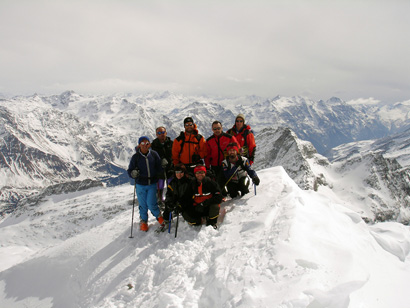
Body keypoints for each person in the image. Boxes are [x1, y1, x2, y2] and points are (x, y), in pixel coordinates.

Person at [127, 136, 164, 232]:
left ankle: (159, 217)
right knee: (143, 205)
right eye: (142, 143)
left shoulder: (154, 154)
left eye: (146, 143)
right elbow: (130, 170)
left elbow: (159, 167)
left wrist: (163, 166)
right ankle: (144, 221)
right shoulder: (136, 157)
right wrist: (132, 173)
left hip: (152, 183)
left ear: (149, 144)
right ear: (139, 145)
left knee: (151, 204)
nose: (145, 145)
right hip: (140, 184)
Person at [205, 121, 238, 195]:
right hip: (215, 166)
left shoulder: (229, 138)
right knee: (219, 186)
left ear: (222, 128)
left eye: (218, 128)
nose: (217, 130)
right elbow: (207, 156)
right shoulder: (209, 141)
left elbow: (237, 149)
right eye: (215, 129)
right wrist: (207, 167)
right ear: (212, 129)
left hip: (228, 165)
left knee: (232, 187)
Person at [151, 126, 174, 206]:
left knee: (171, 187)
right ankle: (160, 203)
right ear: (156, 134)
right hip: (159, 171)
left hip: (170, 169)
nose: (162, 134)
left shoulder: (171, 143)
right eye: (159, 133)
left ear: (166, 133)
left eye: (163, 132)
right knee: (159, 187)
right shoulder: (153, 145)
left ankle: (171, 202)